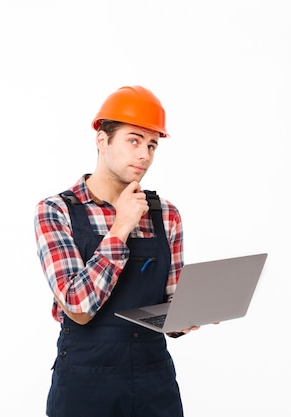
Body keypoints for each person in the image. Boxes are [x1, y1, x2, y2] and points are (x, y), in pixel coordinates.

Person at [33, 85, 197, 417]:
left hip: (154, 382)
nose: (144, 155)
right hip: (85, 384)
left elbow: (169, 307)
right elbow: (78, 307)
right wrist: (121, 227)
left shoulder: (166, 215)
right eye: (133, 140)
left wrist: (189, 314)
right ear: (102, 140)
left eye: (152, 145)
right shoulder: (56, 211)